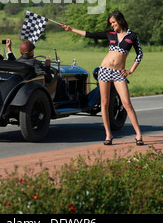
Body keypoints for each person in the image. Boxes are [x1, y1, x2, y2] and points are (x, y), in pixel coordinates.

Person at [62, 10, 144, 146]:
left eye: (113, 22)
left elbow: (140, 54)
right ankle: (108, 134)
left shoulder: (132, 36)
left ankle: (139, 135)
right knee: (104, 104)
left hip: (119, 73)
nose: (112, 25)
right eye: (110, 23)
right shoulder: (110, 34)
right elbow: (89, 34)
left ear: (120, 20)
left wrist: (131, 70)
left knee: (127, 103)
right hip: (104, 70)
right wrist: (71, 29)